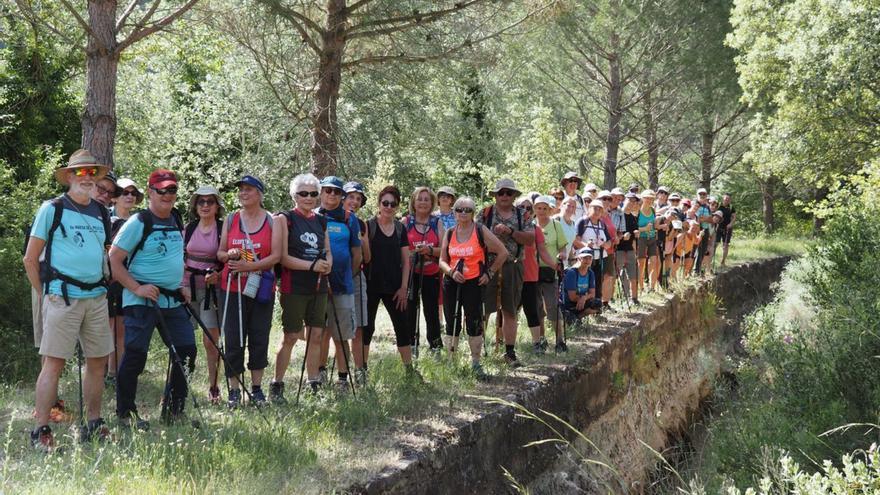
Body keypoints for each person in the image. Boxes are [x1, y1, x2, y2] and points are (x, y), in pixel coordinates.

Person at [24, 149, 114, 450]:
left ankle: (94, 423)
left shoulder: (101, 212)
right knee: (53, 364)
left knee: (98, 362)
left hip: (96, 298)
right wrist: (45, 294)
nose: (86, 178)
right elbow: (30, 259)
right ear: (69, 177)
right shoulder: (53, 209)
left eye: (91, 173)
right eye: (80, 173)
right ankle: (41, 429)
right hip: (62, 298)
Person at [110, 168, 194, 430]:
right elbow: (113, 260)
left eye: (172, 190)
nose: (167, 195)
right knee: (135, 354)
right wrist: (136, 288)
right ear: (151, 192)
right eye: (162, 190)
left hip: (171, 299)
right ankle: (126, 413)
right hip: (141, 299)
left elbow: (175, 258)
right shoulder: (139, 222)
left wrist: (181, 284)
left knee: (187, 352)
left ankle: (173, 410)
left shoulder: (176, 219)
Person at [216, 175, 283, 407]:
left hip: (261, 288)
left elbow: (277, 256)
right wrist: (230, 256)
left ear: (260, 194)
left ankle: (256, 389)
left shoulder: (273, 221)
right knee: (234, 339)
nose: (244, 193)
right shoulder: (232, 219)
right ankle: (234, 390)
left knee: (258, 336)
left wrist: (249, 266)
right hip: (232, 288)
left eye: (249, 190)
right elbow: (220, 253)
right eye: (241, 190)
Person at [270, 174, 332, 399]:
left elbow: (327, 251)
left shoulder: (321, 220)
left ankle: (313, 382)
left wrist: (327, 265)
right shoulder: (284, 219)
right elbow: (283, 258)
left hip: (319, 285)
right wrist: (312, 266)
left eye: (313, 193)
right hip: (293, 285)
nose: (309, 197)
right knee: (291, 335)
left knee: (316, 334)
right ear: (294, 195)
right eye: (303, 193)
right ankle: (277, 384)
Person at [438, 196, 507, 379]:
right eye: (459, 209)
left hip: (474, 283)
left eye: (467, 210)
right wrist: (451, 272)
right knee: (451, 322)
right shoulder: (450, 232)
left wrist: (489, 273)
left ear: (473, 213)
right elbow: (442, 260)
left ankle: (475, 363)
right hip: (452, 282)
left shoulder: (480, 230)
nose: (463, 213)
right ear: (454, 212)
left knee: (474, 322)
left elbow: (503, 252)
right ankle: (451, 363)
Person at [477, 178, 534, 367]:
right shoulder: (484, 213)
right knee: (483, 309)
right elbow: (473, 236)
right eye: (500, 192)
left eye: (508, 193)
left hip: (512, 265)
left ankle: (510, 352)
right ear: (495, 195)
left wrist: (510, 231)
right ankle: (479, 350)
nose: (504, 196)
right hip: (488, 266)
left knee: (510, 310)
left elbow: (530, 239)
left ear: (514, 195)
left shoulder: (522, 215)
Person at [314, 176, 361, 390]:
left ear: (341, 195)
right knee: (318, 333)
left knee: (342, 335)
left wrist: (345, 276)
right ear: (321, 192)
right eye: (327, 190)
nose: (331, 195)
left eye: (336, 191)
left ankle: (343, 379)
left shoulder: (348, 218)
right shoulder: (312, 216)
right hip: (316, 287)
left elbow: (357, 254)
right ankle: (318, 374)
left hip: (343, 286)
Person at [364, 186, 416, 374]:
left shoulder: (401, 228)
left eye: (393, 204)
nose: (388, 207)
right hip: (371, 285)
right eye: (385, 203)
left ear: (397, 206)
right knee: (367, 328)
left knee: (403, 327)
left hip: (395, 288)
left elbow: (406, 261)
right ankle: (362, 370)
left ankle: (409, 370)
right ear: (379, 204)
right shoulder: (368, 226)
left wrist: (404, 288)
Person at [182, 186, 225, 404]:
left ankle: (214, 386)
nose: (205, 205)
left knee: (211, 341)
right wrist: (183, 286)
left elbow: (227, 259)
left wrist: (219, 274)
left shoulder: (222, 228)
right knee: (184, 340)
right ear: (195, 206)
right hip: (188, 289)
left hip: (211, 292)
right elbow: (180, 258)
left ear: (217, 206)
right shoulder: (188, 228)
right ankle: (179, 387)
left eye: (210, 201)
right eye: (201, 202)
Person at [106, 178, 144, 386]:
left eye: (132, 193)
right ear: (115, 197)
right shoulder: (106, 220)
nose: (129, 196)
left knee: (122, 328)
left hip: (129, 280)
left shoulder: (138, 221)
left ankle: (117, 372)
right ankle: (108, 371)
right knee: (108, 327)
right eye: (124, 192)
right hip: (107, 281)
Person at [403, 186, 445, 355]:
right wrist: (412, 254)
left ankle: (435, 347)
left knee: (432, 311)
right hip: (411, 274)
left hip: (432, 273)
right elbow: (398, 248)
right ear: (413, 201)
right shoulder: (406, 222)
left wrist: (429, 250)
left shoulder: (437, 222)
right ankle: (411, 346)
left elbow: (444, 249)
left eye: (427, 199)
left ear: (432, 203)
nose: (423, 202)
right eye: (420, 199)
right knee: (410, 309)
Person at [515, 196, 556, 354]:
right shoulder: (510, 226)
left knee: (532, 310)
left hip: (530, 274)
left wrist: (555, 266)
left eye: (528, 208)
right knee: (509, 311)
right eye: (521, 207)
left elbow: (543, 252)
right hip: (512, 274)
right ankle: (504, 342)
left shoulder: (535, 229)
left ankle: (536, 343)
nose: (525, 211)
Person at [343, 181, 372, 385]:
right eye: (351, 197)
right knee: (331, 329)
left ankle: (360, 370)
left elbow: (367, 258)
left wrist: (362, 242)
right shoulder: (326, 218)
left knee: (359, 326)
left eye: (358, 199)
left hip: (356, 277)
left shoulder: (361, 224)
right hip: (334, 277)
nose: (354, 201)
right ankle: (326, 370)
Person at [533, 195, 569, 352]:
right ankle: (541, 339)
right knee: (537, 306)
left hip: (551, 271)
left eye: (545, 208)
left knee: (552, 306)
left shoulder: (556, 225)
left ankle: (559, 340)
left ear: (549, 209)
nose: (542, 211)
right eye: (539, 208)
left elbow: (562, 246)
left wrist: (562, 255)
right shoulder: (530, 225)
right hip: (532, 271)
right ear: (534, 209)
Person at [573, 200, 612, 310]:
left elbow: (609, 243)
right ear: (589, 208)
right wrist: (586, 245)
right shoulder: (582, 222)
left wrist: (604, 244)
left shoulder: (602, 224)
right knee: (584, 285)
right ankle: (584, 309)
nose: (597, 211)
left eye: (600, 209)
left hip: (599, 259)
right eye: (595, 208)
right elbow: (575, 241)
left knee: (597, 284)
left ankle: (596, 309)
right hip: (584, 261)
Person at [559, 248, 603, 322]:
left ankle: (579, 316)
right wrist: (583, 298)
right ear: (579, 258)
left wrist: (584, 298)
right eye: (585, 258)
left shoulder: (590, 273)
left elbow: (592, 294)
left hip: (580, 302)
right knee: (573, 323)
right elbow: (572, 297)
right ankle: (573, 318)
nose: (588, 260)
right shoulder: (572, 273)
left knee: (597, 303)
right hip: (567, 305)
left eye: (590, 258)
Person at [615, 192, 640, 305]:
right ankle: (611, 298)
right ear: (624, 200)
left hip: (630, 249)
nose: (632, 203)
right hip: (618, 249)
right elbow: (613, 232)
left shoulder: (634, 218)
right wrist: (621, 238)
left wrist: (636, 234)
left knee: (633, 274)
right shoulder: (618, 215)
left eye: (634, 201)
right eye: (630, 200)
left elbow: (635, 237)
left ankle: (634, 298)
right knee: (615, 275)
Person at [637, 189, 663, 291]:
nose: (649, 200)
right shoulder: (638, 211)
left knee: (654, 261)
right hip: (641, 238)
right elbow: (633, 228)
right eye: (647, 198)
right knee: (641, 263)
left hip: (652, 238)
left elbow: (654, 225)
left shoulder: (653, 210)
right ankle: (641, 287)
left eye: (651, 198)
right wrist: (644, 229)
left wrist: (658, 225)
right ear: (642, 198)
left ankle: (652, 287)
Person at [553, 197, 578, 266]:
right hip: (554, 261)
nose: (571, 208)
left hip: (565, 263)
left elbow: (570, 244)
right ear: (562, 205)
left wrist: (573, 262)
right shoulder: (556, 219)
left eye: (573, 207)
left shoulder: (573, 223)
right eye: (568, 205)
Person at [694, 188, 713, 275]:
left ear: (706, 196)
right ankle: (695, 270)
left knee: (703, 250)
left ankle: (699, 269)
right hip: (697, 230)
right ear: (697, 195)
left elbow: (711, 219)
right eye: (700, 194)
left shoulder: (708, 206)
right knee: (698, 249)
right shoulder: (694, 204)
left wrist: (704, 219)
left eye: (704, 194)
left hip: (706, 230)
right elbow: (697, 218)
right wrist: (705, 219)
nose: (702, 196)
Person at [717, 194, 736, 266]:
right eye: (725, 199)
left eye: (728, 199)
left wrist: (731, 224)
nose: (727, 200)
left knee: (726, 245)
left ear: (730, 200)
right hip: (718, 227)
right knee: (715, 244)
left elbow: (734, 217)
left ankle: (723, 261)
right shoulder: (718, 206)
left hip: (727, 228)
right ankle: (710, 260)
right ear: (723, 199)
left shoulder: (731, 207)